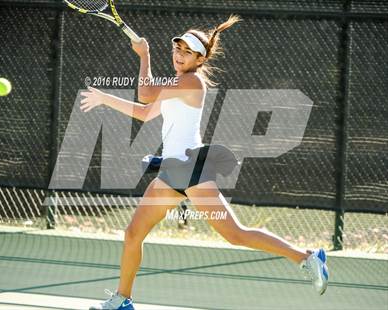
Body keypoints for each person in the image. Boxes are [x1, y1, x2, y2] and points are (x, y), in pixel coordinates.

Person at [81, 15, 329, 310]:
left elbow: (145, 93)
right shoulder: (176, 83)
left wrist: (144, 56)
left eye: (186, 52)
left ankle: (307, 258)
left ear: (199, 58)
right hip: (173, 171)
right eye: (177, 49)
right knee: (133, 233)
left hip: (191, 169)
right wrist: (107, 99)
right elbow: (146, 112)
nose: (178, 55)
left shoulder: (191, 81)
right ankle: (123, 301)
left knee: (235, 234)